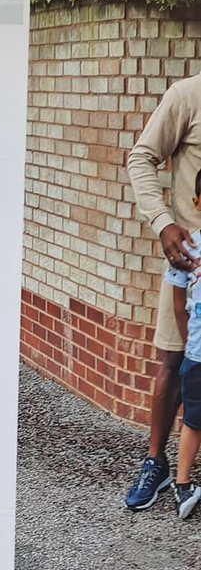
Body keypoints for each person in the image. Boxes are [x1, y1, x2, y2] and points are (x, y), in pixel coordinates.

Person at [125, 69, 201, 510]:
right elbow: (141, 157)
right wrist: (163, 222)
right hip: (192, 262)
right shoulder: (188, 95)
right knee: (173, 363)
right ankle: (156, 462)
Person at [164, 167, 201, 520]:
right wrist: (190, 337)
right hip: (199, 356)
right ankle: (183, 482)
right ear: (198, 202)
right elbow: (179, 301)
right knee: (194, 420)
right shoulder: (190, 246)